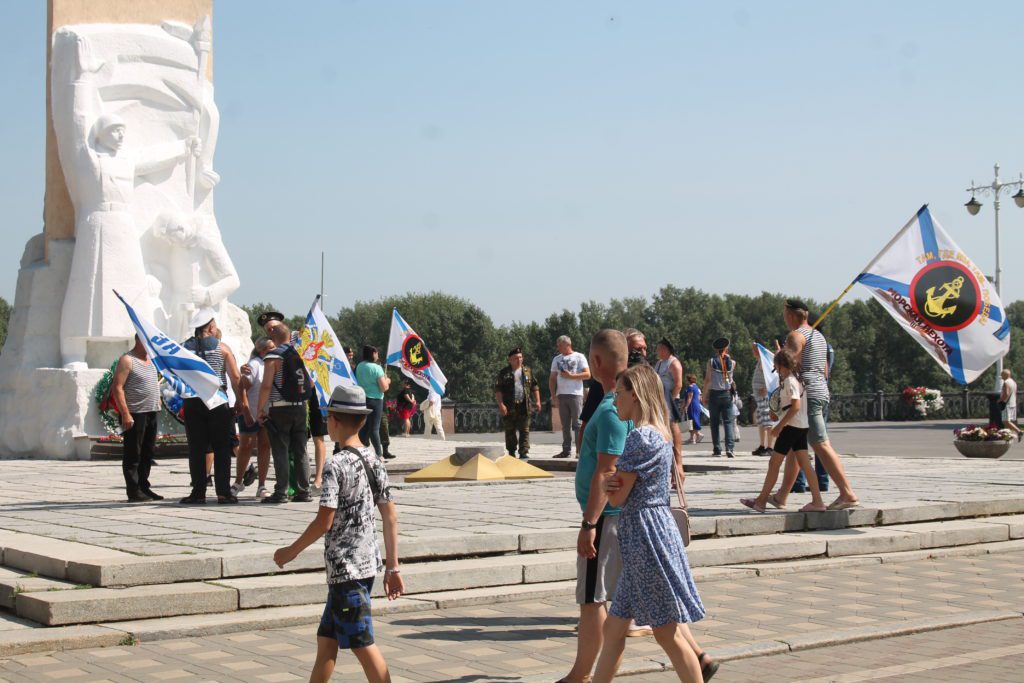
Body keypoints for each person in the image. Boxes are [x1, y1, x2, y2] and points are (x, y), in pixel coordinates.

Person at [273, 384, 404, 683]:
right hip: (365, 566)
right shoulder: (374, 460)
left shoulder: (335, 465)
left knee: (362, 643)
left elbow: (324, 521)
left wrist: (290, 552)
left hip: (346, 571)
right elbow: (390, 516)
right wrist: (393, 567)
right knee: (327, 643)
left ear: (333, 420)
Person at [594, 364, 710, 683]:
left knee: (666, 632)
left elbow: (617, 498)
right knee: (614, 628)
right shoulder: (657, 431)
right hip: (646, 535)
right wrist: (613, 482)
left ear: (635, 394)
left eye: (619, 394)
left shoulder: (640, 438)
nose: (615, 400)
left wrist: (606, 483)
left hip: (646, 540)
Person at [558, 329, 629, 683]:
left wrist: (589, 524)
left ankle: (581, 675)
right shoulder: (622, 401)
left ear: (597, 362)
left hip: (606, 518)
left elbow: (608, 471)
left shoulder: (614, 408)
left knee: (592, 600)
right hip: (614, 515)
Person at [775, 300, 859, 510]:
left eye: (785, 315)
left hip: (808, 395)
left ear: (793, 316)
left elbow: (787, 364)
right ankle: (781, 496)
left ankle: (847, 493)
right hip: (821, 391)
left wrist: (778, 356)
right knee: (798, 447)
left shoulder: (795, 336)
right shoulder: (820, 337)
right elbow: (824, 369)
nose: (784, 320)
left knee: (820, 443)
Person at [741, 350, 827, 514]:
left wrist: (780, 426)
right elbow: (790, 405)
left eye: (775, 366)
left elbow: (795, 406)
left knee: (774, 463)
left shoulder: (790, 381)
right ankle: (818, 501)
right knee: (806, 464)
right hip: (802, 426)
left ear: (781, 365)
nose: (775, 369)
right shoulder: (798, 380)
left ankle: (761, 501)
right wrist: (777, 413)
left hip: (791, 427)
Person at [180, 309, 246, 505]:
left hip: (192, 400)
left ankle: (198, 492)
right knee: (221, 448)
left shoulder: (183, 348)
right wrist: (240, 401)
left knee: (196, 448)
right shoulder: (222, 348)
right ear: (210, 327)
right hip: (217, 401)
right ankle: (223, 493)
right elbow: (235, 377)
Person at [257, 312, 313, 505]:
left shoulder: (273, 356)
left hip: (279, 408)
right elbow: (311, 383)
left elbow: (266, 385)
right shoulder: (302, 354)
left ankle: (281, 492)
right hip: (300, 407)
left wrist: (260, 409)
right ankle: (304, 491)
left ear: (274, 338)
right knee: (301, 450)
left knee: (280, 449)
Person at [110, 335, 163, 502]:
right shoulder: (127, 360)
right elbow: (117, 388)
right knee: (134, 453)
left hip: (151, 411)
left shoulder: (151, 360)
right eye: (146, 341)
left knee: (148, 452)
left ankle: (144, 487)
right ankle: (133, 491)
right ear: (138, 340)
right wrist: (125, 413)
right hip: (135, 413)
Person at [231, 337, 275, 499]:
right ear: (262, 351)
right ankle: (238, 482)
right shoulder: (255, 364)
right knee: (246, 447)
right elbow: (243, 387)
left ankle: (262, 485)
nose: (274, 349)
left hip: (267, 412)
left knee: (265, 446)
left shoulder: (273, 364)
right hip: (251, 412)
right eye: (270, 348)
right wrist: (246, 411)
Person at [495, 347, 542, 459]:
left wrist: (538, 401)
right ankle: (511, 452)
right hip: (509, 405)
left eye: (520, 357)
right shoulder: (504, 373)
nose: (519, 360)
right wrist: (501, 404)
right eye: (516, 358)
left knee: (525, 429)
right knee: (510, 430)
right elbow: (498, 390)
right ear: (509, 360)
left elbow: (535, 387)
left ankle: (524, 452)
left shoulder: (528, 371)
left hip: (524, 405)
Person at [551, 336, 591, 459]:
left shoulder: (579, 357)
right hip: (561, 394)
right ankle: (566, 450)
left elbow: (587, 374)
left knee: (578, 424)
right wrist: (553, 395)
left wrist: (571, 376)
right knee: (565, 425)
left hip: (575, 394)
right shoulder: (556, 359)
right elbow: (552, 378)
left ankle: (579, 451)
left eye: (560, 345)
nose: (558, 347)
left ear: (567, 344)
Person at [702, 338, 737, 458]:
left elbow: (707, 380)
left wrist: (703, 395)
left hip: (714, 394)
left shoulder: (711, 362)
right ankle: (730, 448)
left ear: (716, 349)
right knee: (728, 422)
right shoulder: (732, 363)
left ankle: (717, 449)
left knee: (714, 423)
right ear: (726, 348)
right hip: (727, 394)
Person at [654, 338, 685, 476]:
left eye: (660, 348)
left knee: (672, 425)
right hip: (659, 399)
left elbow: (678, 384)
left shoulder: (674, 363)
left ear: (667, 349)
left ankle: (677, 456)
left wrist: (670, 399)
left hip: (670, 399)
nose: (658, 351)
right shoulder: (659, 364)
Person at [355, 346, 391, 459]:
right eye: (377, 353)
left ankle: (359, 450)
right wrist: (388, 380)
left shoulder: (360, 366)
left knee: (363, 427)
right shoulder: (376, 368)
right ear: (373, 353)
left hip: (362, 399)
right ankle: (379, 454)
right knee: (374, 428)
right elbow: (384, 388)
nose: (378, 356)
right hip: (375, 400)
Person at [751, 343, 774, 456]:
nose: (753, 352)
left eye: (754, 349)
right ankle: (762, 445)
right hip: (759, 396)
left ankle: (770, 447)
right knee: (761, 421)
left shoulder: (764, 362)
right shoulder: (760, 361)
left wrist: (766, 388)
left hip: (764, 396)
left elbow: (771, 375)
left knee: (767, 421)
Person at [1000, 369, 1021, 442]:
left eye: (1002, 374)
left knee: (1005, 421)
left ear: (1006, 375)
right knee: (1009, 421)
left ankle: (1018, 431)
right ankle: (1007, 436)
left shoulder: (1006, 382)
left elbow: (1006, 393)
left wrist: (1000, 400)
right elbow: (1014, 393)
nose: (1001, 376)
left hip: (1007, 404)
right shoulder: (1014, 382)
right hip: (1013, 403)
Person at [683, 375, 704, 444]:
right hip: (696, 405)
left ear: (689, 380)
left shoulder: (690, 387)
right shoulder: (696, 387)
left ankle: (698, 435)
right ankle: (692, 438)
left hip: (692, 406)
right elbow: (699, 398)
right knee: (692, 422)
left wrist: (686, 406)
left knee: (692, 422)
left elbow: (690, 397)